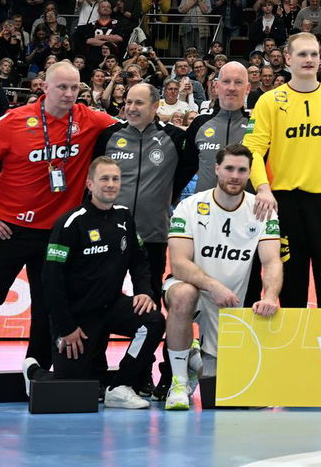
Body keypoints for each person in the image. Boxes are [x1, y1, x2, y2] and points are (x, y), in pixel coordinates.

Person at [0, 60, 118, 403]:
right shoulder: (13, 121)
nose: (69, 94)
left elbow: (130, 124)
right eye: (62, 87)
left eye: (75, 88)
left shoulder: (89, 118)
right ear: (44, 86)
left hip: (56, 234)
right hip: (7, 229)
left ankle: (37, 370)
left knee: (49, 304)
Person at [244, 32, 321, 309]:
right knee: (289, 288)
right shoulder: (269, 101)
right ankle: (290, 351)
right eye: (302, 54)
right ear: (287, 59)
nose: (309, 59)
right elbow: (252, 150)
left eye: (314, 54)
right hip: (285, 204)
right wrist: (263, 188)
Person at [38, 155, 165, 409]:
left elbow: (139, 260)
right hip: (77, 318)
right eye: (104, 179)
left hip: (111, 307)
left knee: (153, 320)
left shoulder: (124, 217)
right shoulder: (71, 223)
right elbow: (51, 280)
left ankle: (121, 385)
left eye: (115, 179)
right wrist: (66, 327)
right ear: (90, 185)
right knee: (74, 388)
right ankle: (34, 373)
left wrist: (143, 292)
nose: (110, 184)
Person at [162, 144, 282, 410]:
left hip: (229, 305)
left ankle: (194, 359)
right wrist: (212, 286)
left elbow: (272, 260)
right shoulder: (190, 205)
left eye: (242, 170)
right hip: (195, 289)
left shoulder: (262, 210)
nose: (235, 175)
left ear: (250, 173)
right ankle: (178, 382)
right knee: (183, 293)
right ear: (216, 169)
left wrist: (271, 295)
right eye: (229, 168)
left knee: (225, 396)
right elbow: (179, 264)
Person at [99, 82, 191, 301]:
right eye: (128, 102)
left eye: (139, 103)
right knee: (101, 296)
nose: (131, 107)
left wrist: (169, 194)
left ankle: (146, 336)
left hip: (153, 234)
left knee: (149, 298)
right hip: (111, 232)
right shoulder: (109, 136)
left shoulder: (174, 138)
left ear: (155, 106)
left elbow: (187, 169)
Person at [182, 62, 256, 192]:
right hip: (205, 209)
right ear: (216, 86)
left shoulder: (256, 125)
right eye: (226, 81)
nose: (232, 88)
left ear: (248, 88)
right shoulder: (200, 123)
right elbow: (185, 169)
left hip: (246, 208)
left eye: (238, 82)